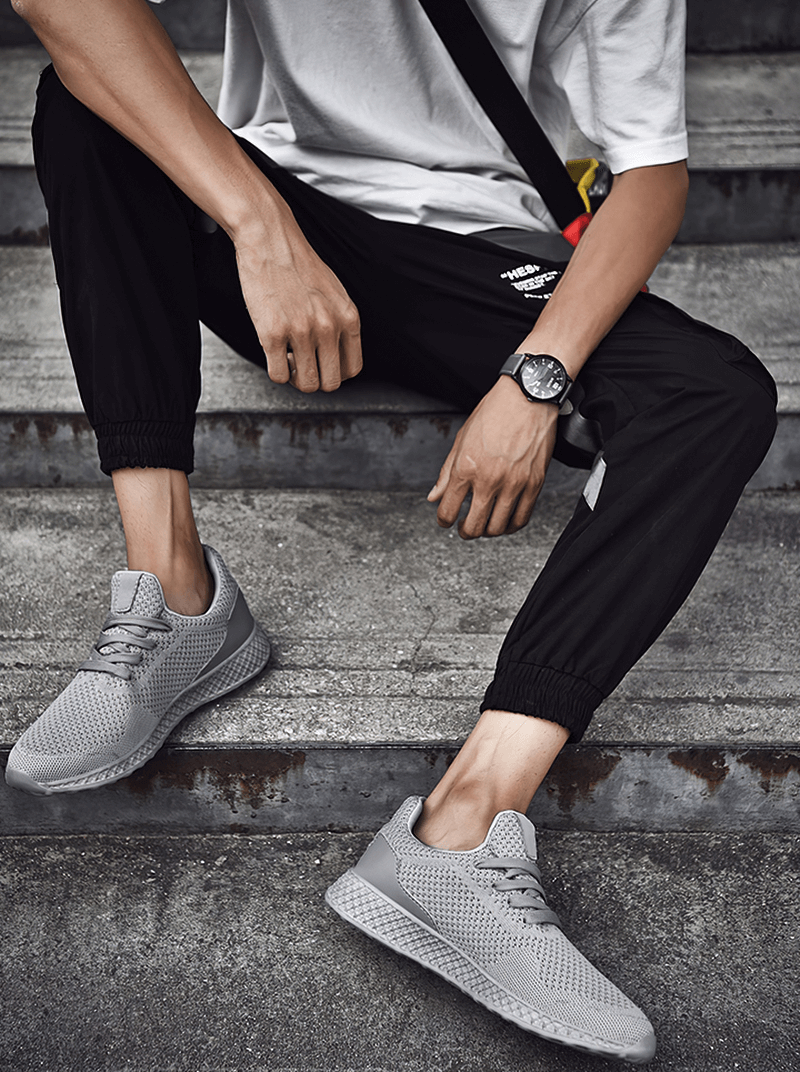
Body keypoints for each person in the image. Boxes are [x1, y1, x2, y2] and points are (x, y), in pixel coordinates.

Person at [6, 0, 777, 1062]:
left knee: (715, 393)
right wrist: (259, 225)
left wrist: (535, 377)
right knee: (83, 103)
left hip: (484, 261)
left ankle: (459, 827)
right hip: (279, 232)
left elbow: (648, 175)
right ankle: (176, 593)